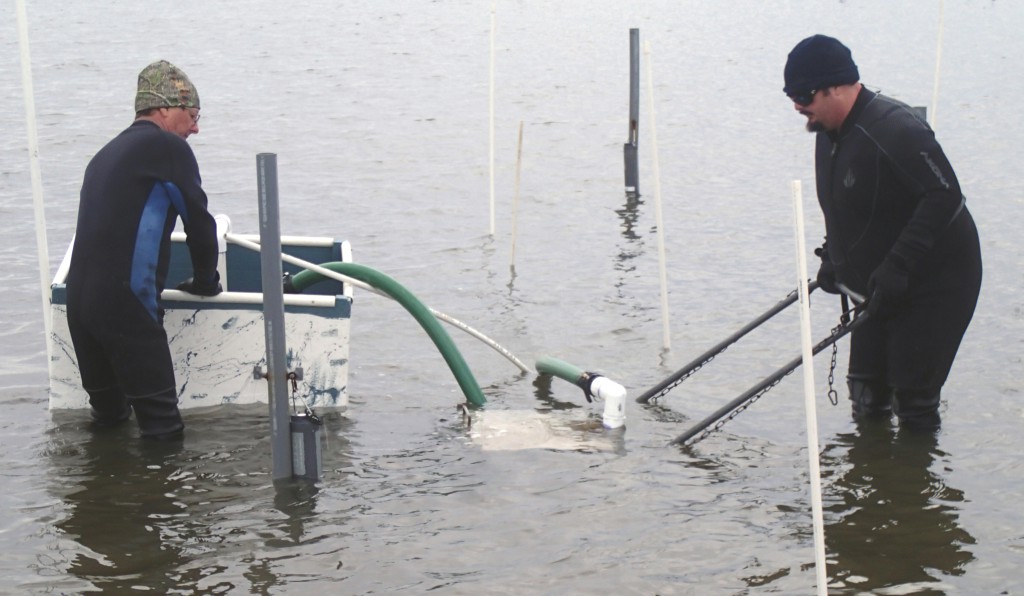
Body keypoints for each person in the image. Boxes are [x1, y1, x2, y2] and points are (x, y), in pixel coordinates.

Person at [783, 35, 982, 431]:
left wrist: (897, 265)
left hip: (937, 283)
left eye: (804, 94)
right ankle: (875, 486)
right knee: (866, 393)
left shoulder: (897, 130)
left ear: (836, 87)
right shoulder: (828, 133)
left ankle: (917, 478)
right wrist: (835, 259)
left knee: (913, 401)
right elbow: (850, 207)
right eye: (790, 95)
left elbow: (944, 195)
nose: (797, 106)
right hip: (882, 281)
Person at [66, 60, 222, 440]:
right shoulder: (168, 147)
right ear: (166, 109)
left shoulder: (103, 154)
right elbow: (201, 224)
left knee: (110, 422)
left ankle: (100, 495)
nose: (196, 127)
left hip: (78, 304)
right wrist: (206, 282)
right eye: (192, 114)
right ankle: (156, 496)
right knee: (163, 430)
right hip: (124, 305)